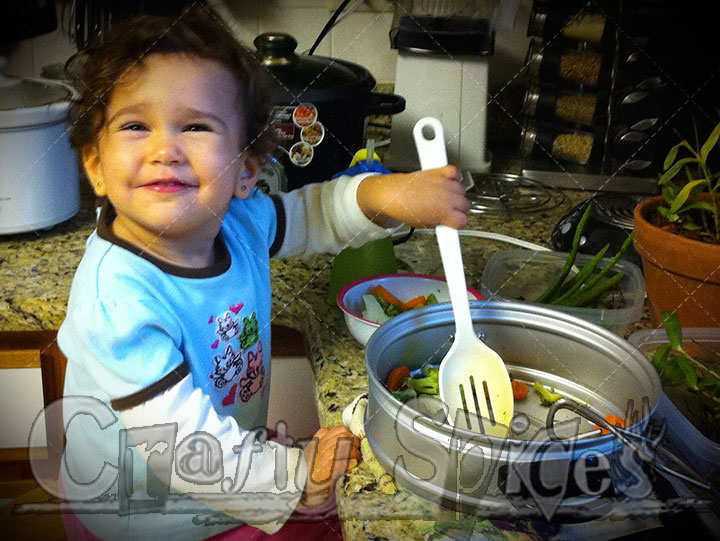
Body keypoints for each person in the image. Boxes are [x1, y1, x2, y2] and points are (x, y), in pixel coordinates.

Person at [56, 5, 469, 540]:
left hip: (230, 478)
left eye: (196, 126)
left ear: (246, 170)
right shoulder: (117, 298)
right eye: (136, 125)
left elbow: (311, 216)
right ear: (95, 164)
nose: (165, 150)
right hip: (145, 516)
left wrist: (385, 193)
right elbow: (181, 449)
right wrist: (295, 475)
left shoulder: (236, 223)